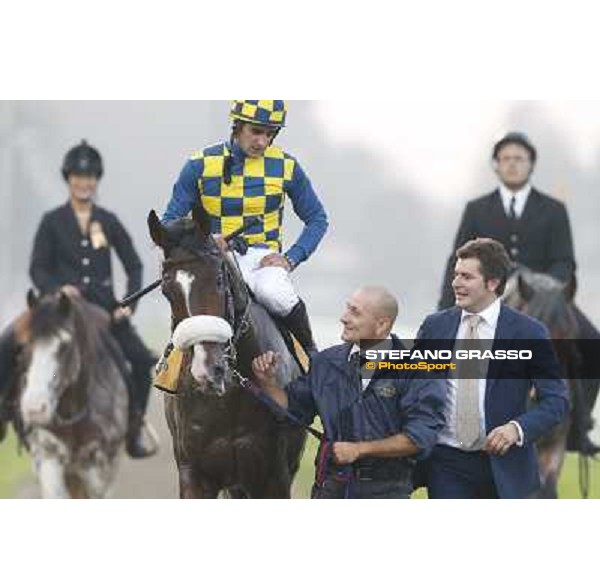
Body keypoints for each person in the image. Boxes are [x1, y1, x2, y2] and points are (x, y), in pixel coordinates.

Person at [438, 131, 600, 455]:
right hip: (490, 295)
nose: (513, 164)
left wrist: (544, 288)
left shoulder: (554, 209)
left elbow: (565, 261)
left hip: (548, 299)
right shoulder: (477, 208)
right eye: (506, 159)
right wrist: (446, 308)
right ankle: (436, 420)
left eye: (519, 159)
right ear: (496, 165)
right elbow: (458, 258)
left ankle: (579, 425)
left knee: (593, 343)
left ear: (531, 165)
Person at [0, 140, 157, 458]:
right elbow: (37, 268)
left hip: (102, 309)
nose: (84, 182)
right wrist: (58, 289)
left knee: (141, 361)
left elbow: (134, 265)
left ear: (96, 180)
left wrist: (128, 304)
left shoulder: (109, 220)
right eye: (77, 176)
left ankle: (134, 427)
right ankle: (4, 413)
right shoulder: (51, 221)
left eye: (90, 177)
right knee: (7, 343)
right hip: (57, 311)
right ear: (68, 179)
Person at [161, 100, 328, 354]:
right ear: (237, 126)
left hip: (262, 259)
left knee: (275, 294)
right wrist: (205, 239)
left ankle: (312, 359)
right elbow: (169, 223)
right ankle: (171, 368)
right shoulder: (199, 164)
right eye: (256, 131)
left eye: (270, 134)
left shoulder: (286, 166)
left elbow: (317, 219)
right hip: (213, 257)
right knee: (195, 298)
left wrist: (291, 258)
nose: (262, 141)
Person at [252, 286, 446, 499]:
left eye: (355, 312)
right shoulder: (324, 363)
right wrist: (268, 383)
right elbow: (291, 410)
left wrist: (360, 449)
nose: (344, 318)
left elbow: (420, 438)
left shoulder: (419, 369)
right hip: (330, 488)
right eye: (347, 309)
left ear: (382, 325)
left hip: (387, 492)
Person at [422, 238, 569, 498]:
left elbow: (557, 401)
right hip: (445, 464)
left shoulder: (530, 333)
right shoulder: (435, 326)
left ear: (492, 283)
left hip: (506, 468)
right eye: (456, 275)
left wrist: (516, 429)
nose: (456, 283)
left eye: (467, 277)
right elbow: (411, 385)